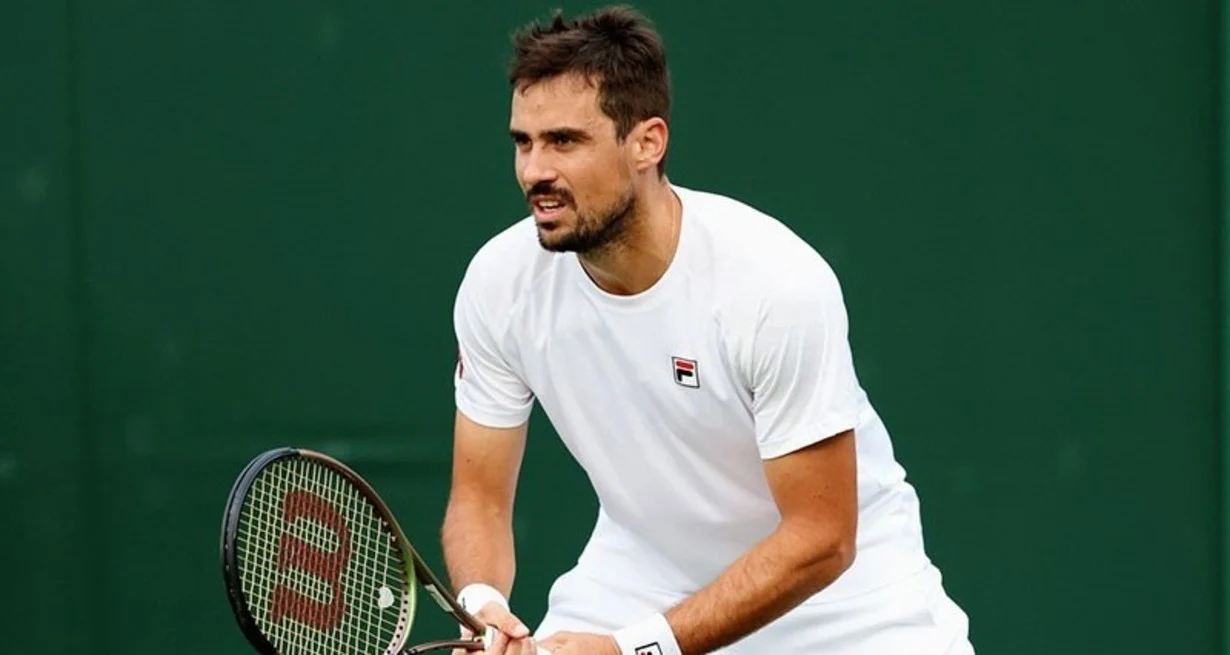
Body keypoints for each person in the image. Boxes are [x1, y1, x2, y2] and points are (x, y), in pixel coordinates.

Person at [440, 5, 974, 654]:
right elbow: (480, 500)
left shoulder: (771, 285)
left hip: (850, 613)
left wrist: (634, 647)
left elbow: (822, 537)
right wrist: (485, 605)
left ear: (647, 142)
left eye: (564, 141)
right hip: (642, 577)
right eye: (523, 142)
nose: (534, 172)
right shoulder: (500, 283)